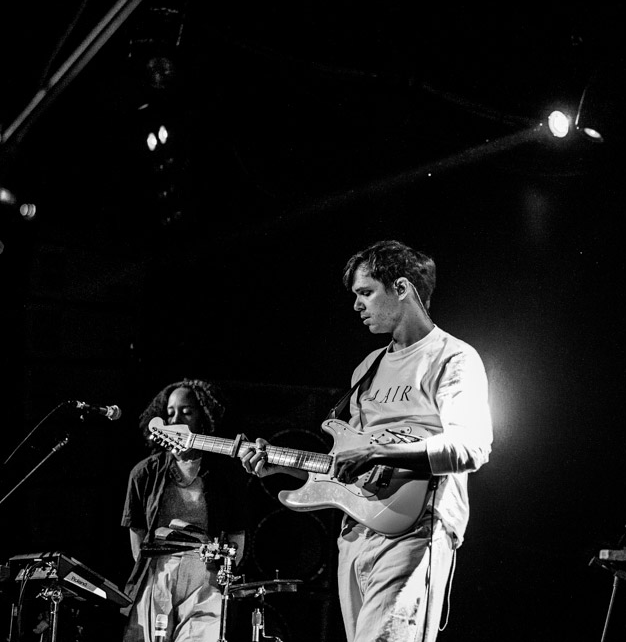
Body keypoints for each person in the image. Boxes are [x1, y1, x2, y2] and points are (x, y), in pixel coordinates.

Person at [241, 240, 493, 642]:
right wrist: (280, 465)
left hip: (415, 528)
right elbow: (344, 462)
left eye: (365, 292)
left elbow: (471, 448)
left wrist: (377, 451)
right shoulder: (368, 367)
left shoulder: (453, 357)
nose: (357, 306)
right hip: (355, 533)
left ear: (402, 288)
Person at [121, 379, 248, 642]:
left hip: (206, 573)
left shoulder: (226, 473)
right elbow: (137, 537)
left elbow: (237, 535)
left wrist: (224, 574)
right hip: (158, 568)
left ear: (203, 418)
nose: (176, 418)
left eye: (186, 412)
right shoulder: (144, 473)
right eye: (170, 413)